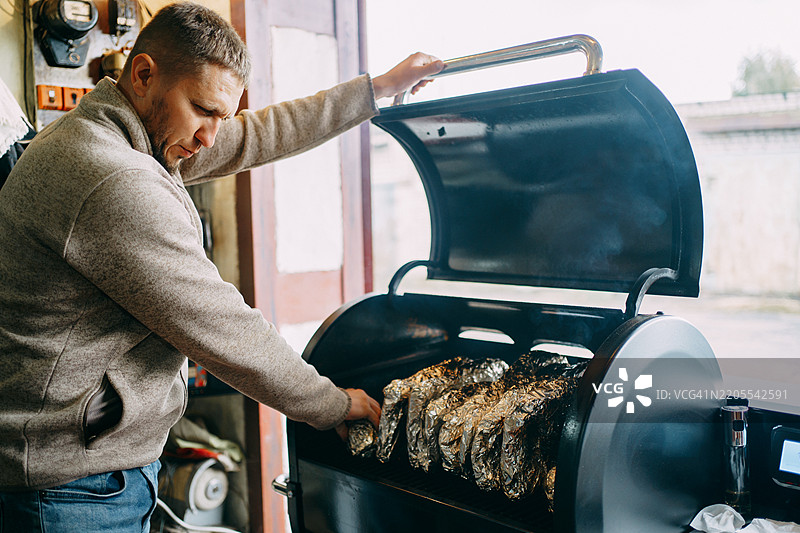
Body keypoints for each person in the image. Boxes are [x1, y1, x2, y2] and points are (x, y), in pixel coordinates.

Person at [0, 2, 443, 531]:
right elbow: (226, 329)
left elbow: (259, 132)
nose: (211, 137)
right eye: (203, 110)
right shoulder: (113, 180)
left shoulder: (116, 133)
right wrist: (329, 404)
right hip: (68, 491)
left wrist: (374, 92)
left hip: (75, 473)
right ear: (143, 75)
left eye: (222, 117)